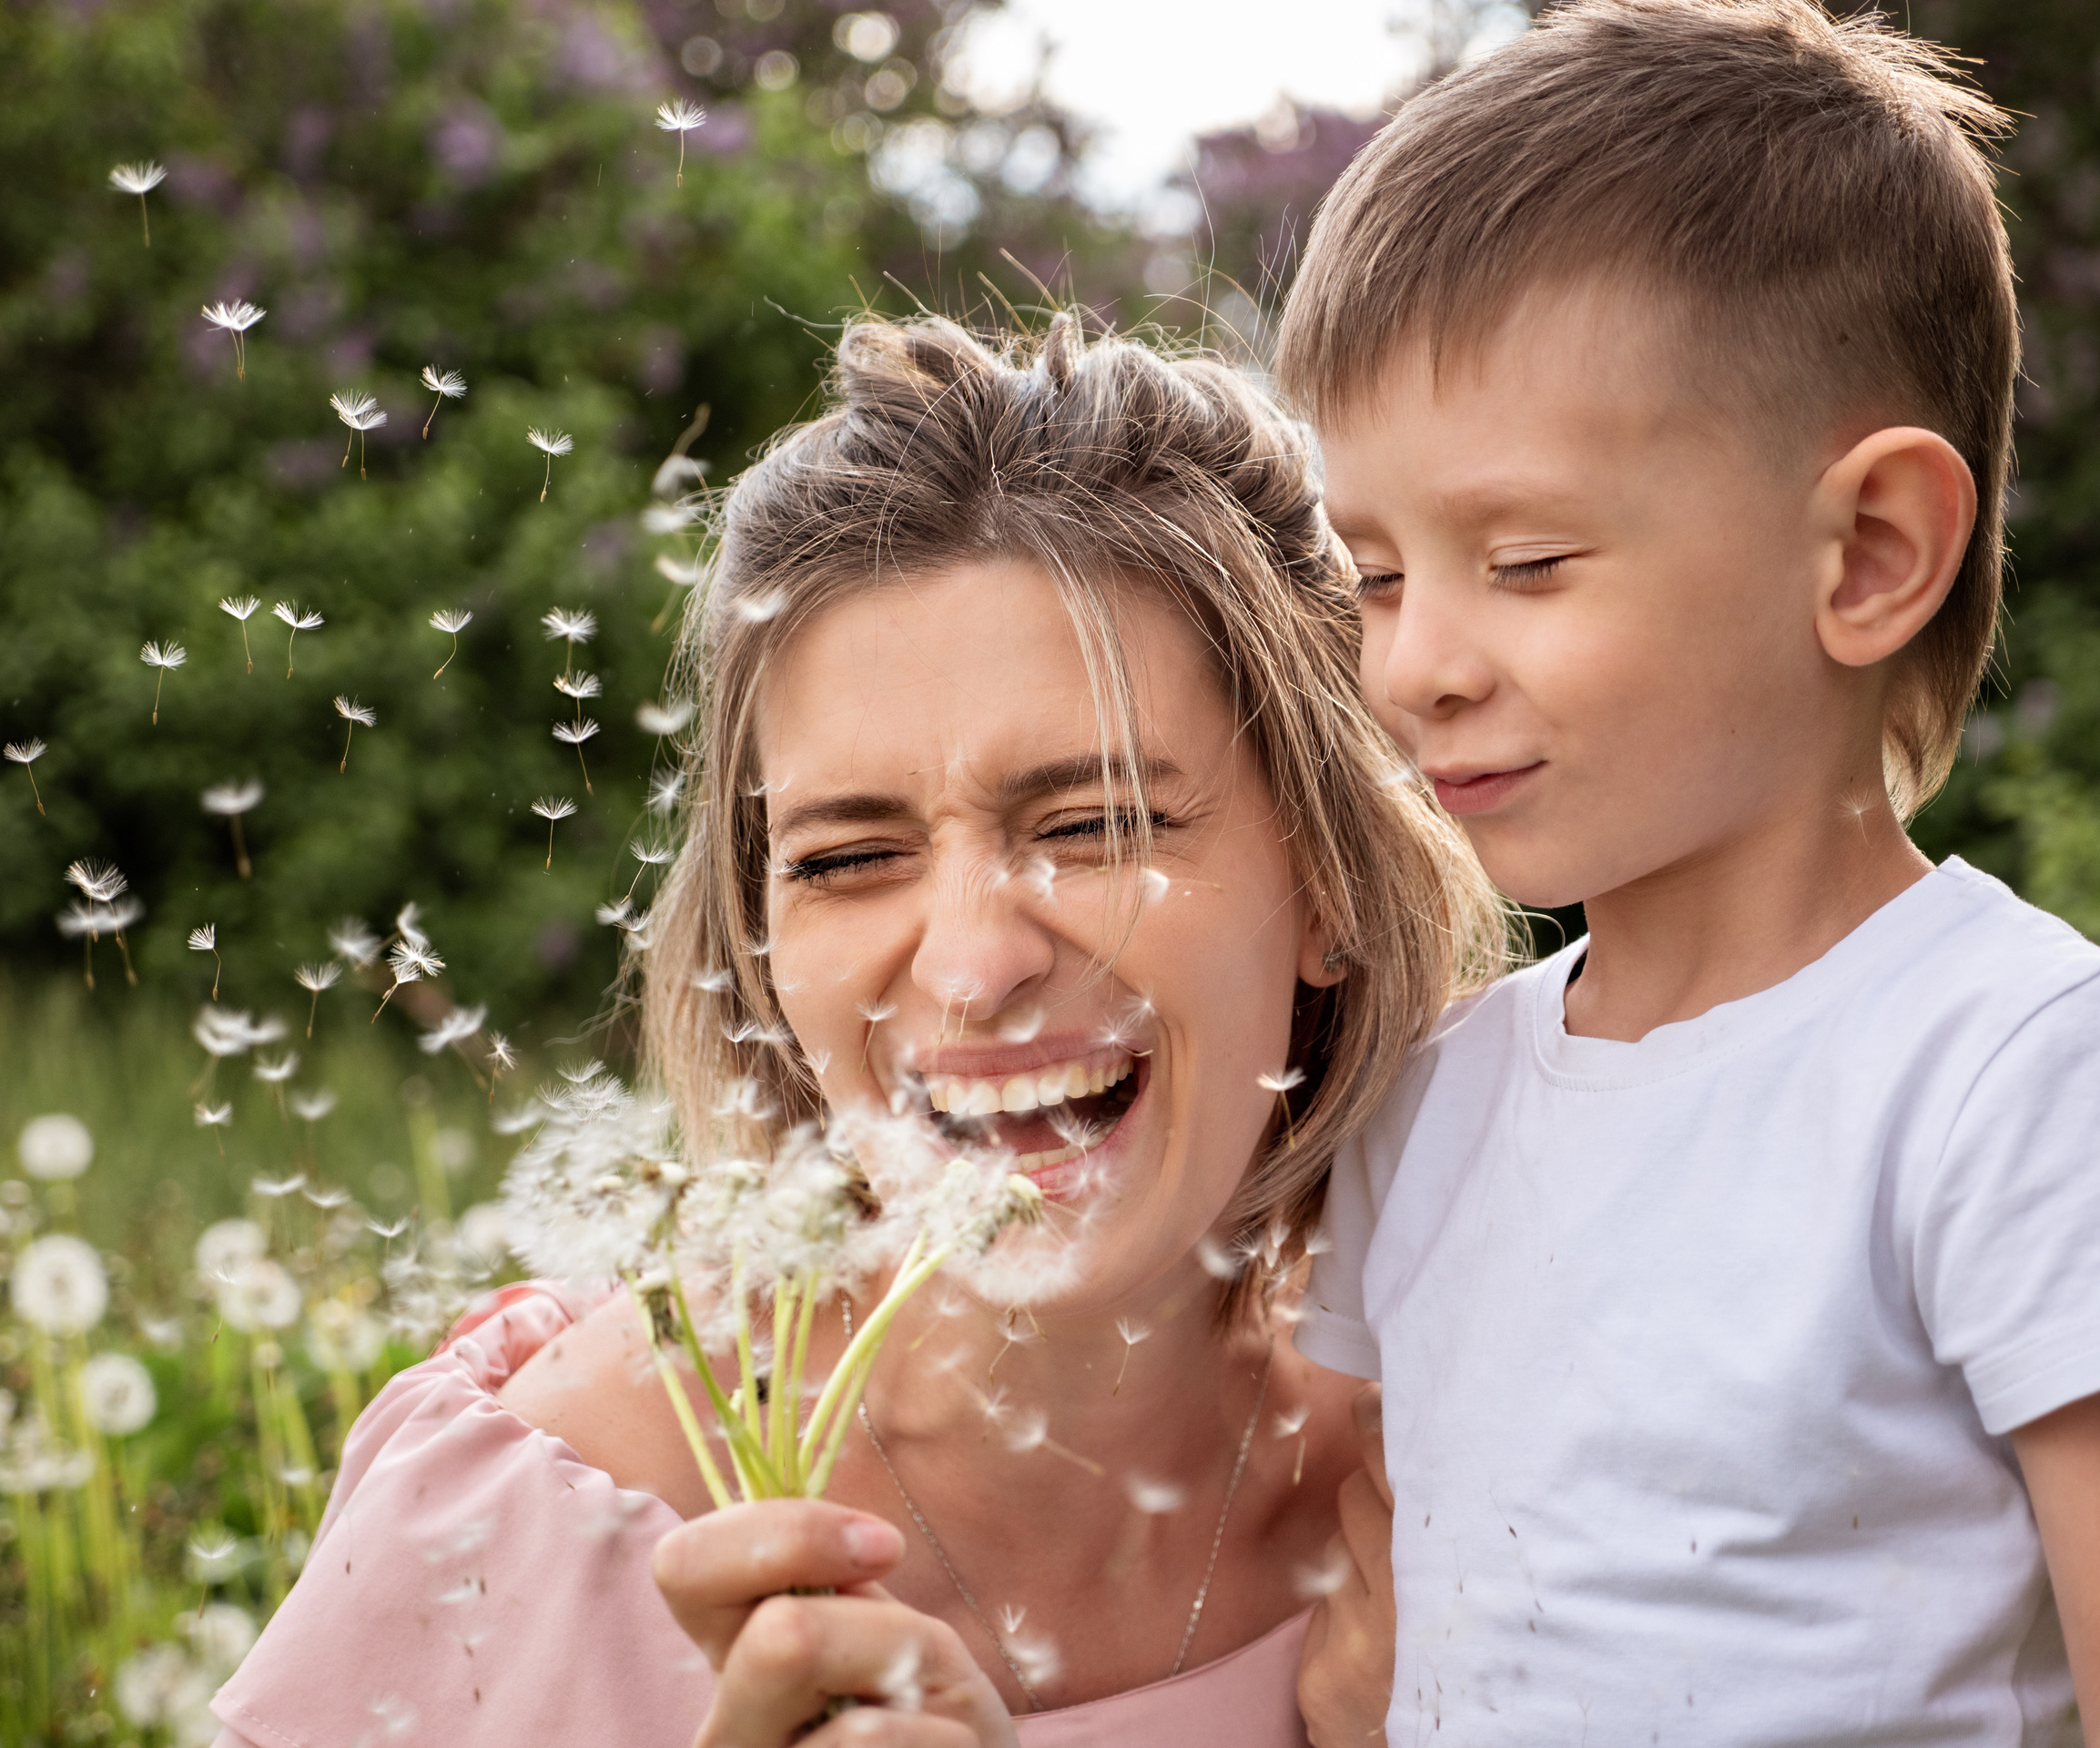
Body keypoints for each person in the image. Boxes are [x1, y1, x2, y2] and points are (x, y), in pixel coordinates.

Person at [208, 312, 1510, 1748]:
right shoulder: (522, 1531)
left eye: (1090, 826)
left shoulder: (1474, 1474)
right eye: (844, 858)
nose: (968, 965)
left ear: (1327, 874)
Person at [1274, 4, 2100, 1744]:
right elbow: (1376, 1620)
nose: (1413, 666)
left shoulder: (2004, 1064)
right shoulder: (1427, 1103)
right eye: (1375, 577)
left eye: (1524, 562)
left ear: (1871, 554)